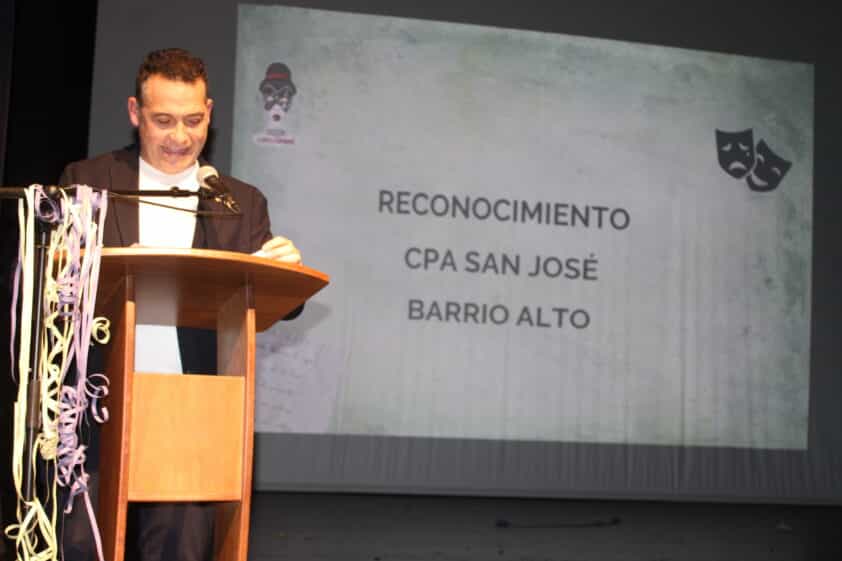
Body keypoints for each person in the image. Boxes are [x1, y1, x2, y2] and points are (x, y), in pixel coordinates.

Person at [58, 48, 301, 561]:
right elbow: (54, 287)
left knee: (179, 550)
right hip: (98, 407)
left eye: (193, 120)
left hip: (191, 412)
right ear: (135, 112)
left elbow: (275, 301)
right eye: (163, 121)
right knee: (83, 546)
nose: (180, 137)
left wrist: (283, 266)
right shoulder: (88, 182)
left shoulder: (239, 202)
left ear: (209, 112)